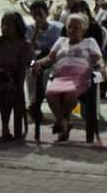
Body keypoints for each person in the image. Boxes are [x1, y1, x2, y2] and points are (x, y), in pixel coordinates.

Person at [33, 12, 103, 143]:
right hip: (61, 75)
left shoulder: (90, 42)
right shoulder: (61, 41)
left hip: (80, 76)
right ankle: (64, 123)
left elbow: (98, 60)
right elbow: (49, 59)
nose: (71, 30)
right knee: (50, 93)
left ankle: (61, 123)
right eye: (69, 27)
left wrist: (100, 66)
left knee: (70, 93)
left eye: (76, 27)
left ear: (84, 30)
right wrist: (37, 63)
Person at [0, 12, 34, 141]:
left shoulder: (24, 45)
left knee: (6, 89)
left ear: (17, 26)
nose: (4, 28)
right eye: (3, 24)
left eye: (9, 25)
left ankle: (5, 126)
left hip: (12, 80)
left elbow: (25, 63)